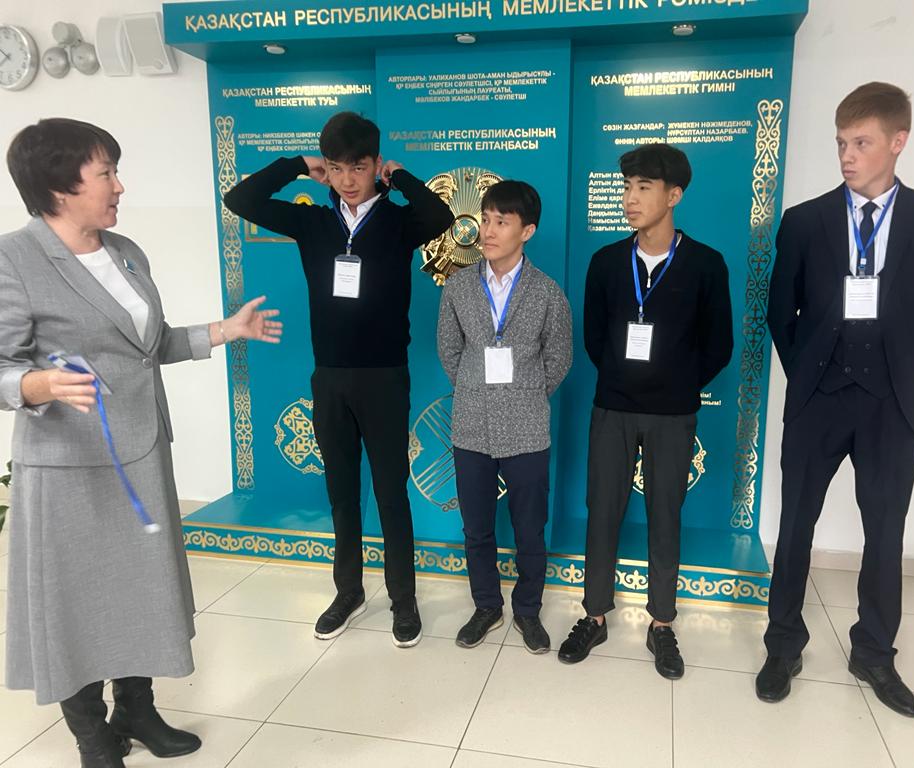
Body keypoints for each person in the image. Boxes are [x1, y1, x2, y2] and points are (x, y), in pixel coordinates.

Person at [0, 118, 282, 767]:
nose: (119, 186)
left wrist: (223, 331)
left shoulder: (125, 251)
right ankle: (93, 737)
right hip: (68, 468)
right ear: (60, 187)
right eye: (106, 173)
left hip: (142, 451)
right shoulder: (15, 259)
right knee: (76, 604)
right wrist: (39, 384)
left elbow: (146, 347)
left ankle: (137, 710)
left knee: (140, 590)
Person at [757, 82, 914, 718]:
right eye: (841, 143)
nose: (847, 155)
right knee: (795, 526)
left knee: (885, 531)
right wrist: (807, 374)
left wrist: (900, 374)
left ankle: (873, 652)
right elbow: (780, 310)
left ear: (898, 142)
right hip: (817, 399)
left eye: (861, 143)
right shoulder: (804, 220)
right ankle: (783, 645)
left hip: (890, 404)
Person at [223, 111, 454, 647]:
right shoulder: (312, 222)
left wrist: (401, 178)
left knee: (391, 494)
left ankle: (403, 600)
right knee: (341, 493)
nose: (348, 179)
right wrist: (297, 165)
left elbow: (440, 215)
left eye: (359, 167)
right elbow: (241, 200)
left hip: (384, 379)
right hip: (329, 378)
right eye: (337, 167)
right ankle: (348, 592)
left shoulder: (398, 222)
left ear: (375, 165)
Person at [557, 143, 733, 679]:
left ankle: (661, 623)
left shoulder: (705, 264)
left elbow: (719, 346)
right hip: (613, 407)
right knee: (602, 509)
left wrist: (675, 384)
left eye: (643, 188)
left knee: (665, 513)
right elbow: (594, 338)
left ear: (673, 195)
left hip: (673, 413)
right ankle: (594, 615)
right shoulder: (606, 262)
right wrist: (624, 376)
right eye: (627, 187)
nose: (630, 199)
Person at [436, 180, 572, 653]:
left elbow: (558, 358)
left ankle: (528, 610)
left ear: (526, 231)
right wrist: (477, 388)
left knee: (530, 529)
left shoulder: (548, 292)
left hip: (527, 428)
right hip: (471, 424)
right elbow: (449, 350)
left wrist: (524, 394)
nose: (489, 231)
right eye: (487, 219)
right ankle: (486, 606)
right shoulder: (458, 287)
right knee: (477, 526)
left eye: (502, 221)